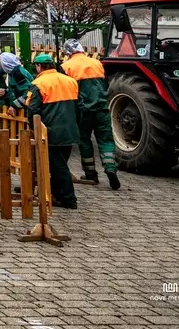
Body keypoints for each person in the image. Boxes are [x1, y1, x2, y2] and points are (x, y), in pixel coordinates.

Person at [61, 39, 120, 190]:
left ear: (68, 53)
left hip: (83, 111)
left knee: (84, 140)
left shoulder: (66, 67)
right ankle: (111, 169)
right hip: (102, 108)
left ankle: (90, 173)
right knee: (106, 139)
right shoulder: (96, 63)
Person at [24, 53, 80, 209]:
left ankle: (70, 199)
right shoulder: (71, 81)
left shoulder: (38, 83)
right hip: (70, 131)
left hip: (51, 132)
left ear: (39, 66)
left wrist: (34, 128)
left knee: (59, 167)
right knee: (59, 165)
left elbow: (32, 110)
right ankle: (57, 195)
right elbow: (79, 105)